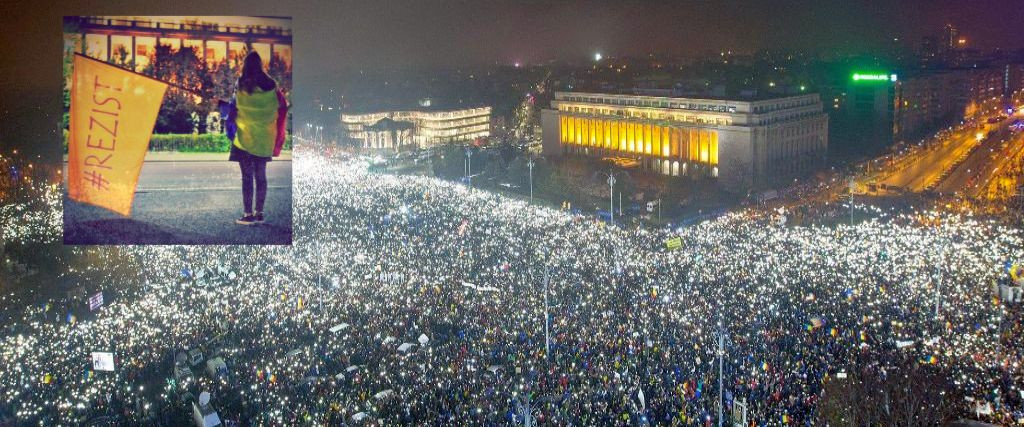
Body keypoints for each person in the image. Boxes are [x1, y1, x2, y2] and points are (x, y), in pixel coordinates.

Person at [224, 51, 288, 226]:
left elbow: (235, 106)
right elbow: (282, 105)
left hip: (245, 138)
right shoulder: (271, 85)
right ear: (261, 65)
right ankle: (259, 213)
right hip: (264, 138)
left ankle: (247, 214)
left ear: (245, 65)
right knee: (261, 175)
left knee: (247, 176)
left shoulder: (241, 84)